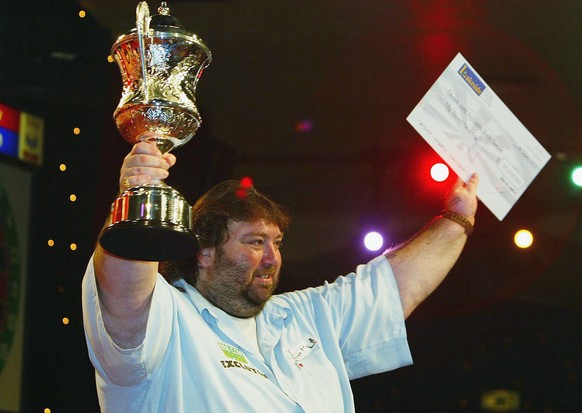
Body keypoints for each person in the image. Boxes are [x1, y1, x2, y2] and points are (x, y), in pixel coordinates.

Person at [82, 141, 479, 412]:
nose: (272, 258)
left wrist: (457, 218)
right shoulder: (166, 321)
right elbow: (122, 293)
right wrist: (135, 197)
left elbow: (393, 288)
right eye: (255, 242)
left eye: (277, 242)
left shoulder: (302, 318)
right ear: (204, 250)